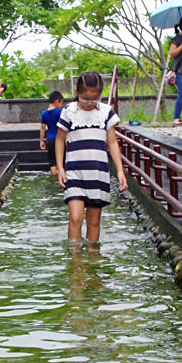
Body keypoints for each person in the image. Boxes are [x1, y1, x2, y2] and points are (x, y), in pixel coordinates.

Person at [55, 70, 127, 244]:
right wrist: (60, 168)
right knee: (75, 217)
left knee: (94, 221)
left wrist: (120, 171)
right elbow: (59, 140)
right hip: (75, 173)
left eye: (94, 99)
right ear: (77, 93)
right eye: (85, 98)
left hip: (98, 173)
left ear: (100, 95)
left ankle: (93, 259)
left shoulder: (106, 112)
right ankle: (75, 261)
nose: (89, 103)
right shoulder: (69, 111)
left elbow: (112, 143)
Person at [39, 90, 64, 176]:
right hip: (59, 140)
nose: (60, 105)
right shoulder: (59, 112)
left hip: (49, 139)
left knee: (52, 162)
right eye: (61, 103)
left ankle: (53, 179)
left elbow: (42, 128)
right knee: (61, 161)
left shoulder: (44, 113)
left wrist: (41, 140)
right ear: (57, 101)